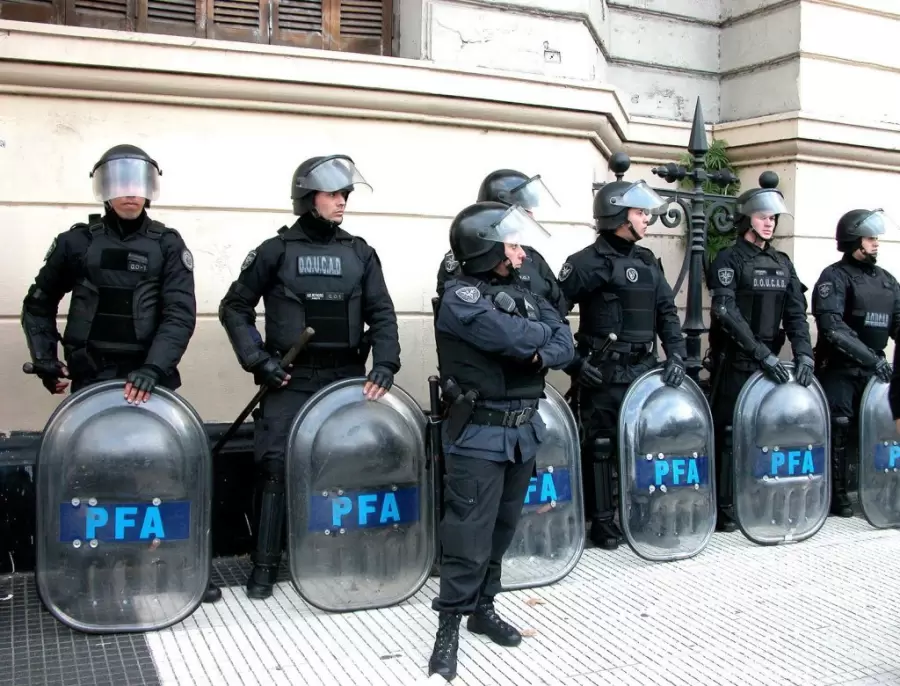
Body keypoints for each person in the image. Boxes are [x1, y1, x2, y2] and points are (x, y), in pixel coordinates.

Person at [21, 143, 221, 603]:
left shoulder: (167, 245)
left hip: (152, 382)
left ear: (150, 190)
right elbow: (38, 305)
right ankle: (80, 568)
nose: (129, 193)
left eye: (138, 183)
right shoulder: (76, 243)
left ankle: (184, 566)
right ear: (104, 189)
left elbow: (179, 314)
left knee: (167, 472)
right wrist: (46, 359)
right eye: (119, 183)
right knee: (88, 473)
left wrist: (153, 367)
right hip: (92, 379)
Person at [218, 154, 400, 599]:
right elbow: (234, 308)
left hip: (345, 379)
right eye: (333, 194)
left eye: (345, 195)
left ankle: (343, 553)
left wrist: (385, 365)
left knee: (349, 464)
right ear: (307, 197)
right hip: (290, 379)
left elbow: (381, 313)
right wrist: (259, 361)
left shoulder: (360, 253)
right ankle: (265, 566)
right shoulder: (275, 251)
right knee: (276, 465)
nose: (342, 203)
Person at [429, 201, 574, 681]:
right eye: (511, 243)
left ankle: (482, 609)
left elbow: (564, 343)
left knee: (502, 530)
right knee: (467, 534)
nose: (520, 252)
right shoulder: (460, 297)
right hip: (478, 434)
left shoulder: (528, 291)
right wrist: (535, 345)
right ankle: (447, 625)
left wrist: (538, 347)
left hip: (520, 433)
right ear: (487, 247)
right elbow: (509, 339)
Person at [558, 179, 686, 550]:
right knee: (601, 444)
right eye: (640, 212)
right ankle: (601, 522)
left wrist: (675, 355)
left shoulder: (646, 261)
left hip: (644, 371)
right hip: (605, 372)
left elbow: (666, 312)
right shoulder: (585, 263)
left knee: (644, 443)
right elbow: (551, 317)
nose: (648, 218)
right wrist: (575, 364)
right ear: (617, 214)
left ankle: (639, 512)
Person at [705, 176, 813, 531]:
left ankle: (757, 497)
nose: (770, 221)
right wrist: (760, 353)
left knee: (766, 435)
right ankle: (724, 507)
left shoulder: (783, 263)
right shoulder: (729, 259)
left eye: (774, 217)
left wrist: (804, 355)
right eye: (763, 215)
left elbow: (797, 313)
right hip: (737, 363)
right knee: (730, 434)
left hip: (771, 368)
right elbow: (725, 312)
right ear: (747, 217)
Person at [812, 208, 900, 516]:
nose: (876, 243)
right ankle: (836, 494)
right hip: (839, 369)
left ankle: (880, 490)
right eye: (870, 238)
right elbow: (833, 329)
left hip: (876, 372)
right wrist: (872, 361)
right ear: (853, 240)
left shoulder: (887, 281)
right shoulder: (833, 277)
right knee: (839, 428)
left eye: (876, 238)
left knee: (884, 429)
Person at [436, 169, 567, 316]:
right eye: (524, 210)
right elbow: (459, 311)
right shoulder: (466, 258)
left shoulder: (531, 256)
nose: (531, 216)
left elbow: (559, 305)